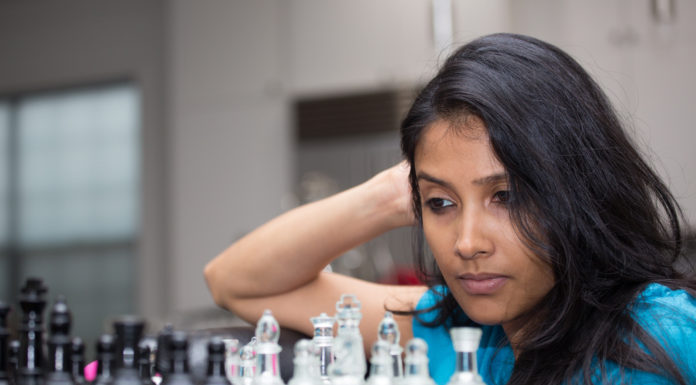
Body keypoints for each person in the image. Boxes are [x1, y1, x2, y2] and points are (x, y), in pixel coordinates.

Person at [204, 33, 696, 384]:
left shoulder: (658, 337)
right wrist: (394, 192)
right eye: (441, 204)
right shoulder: (460, 329)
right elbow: (235, 281)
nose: (466, 243)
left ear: (576, 192)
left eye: (506, 197)